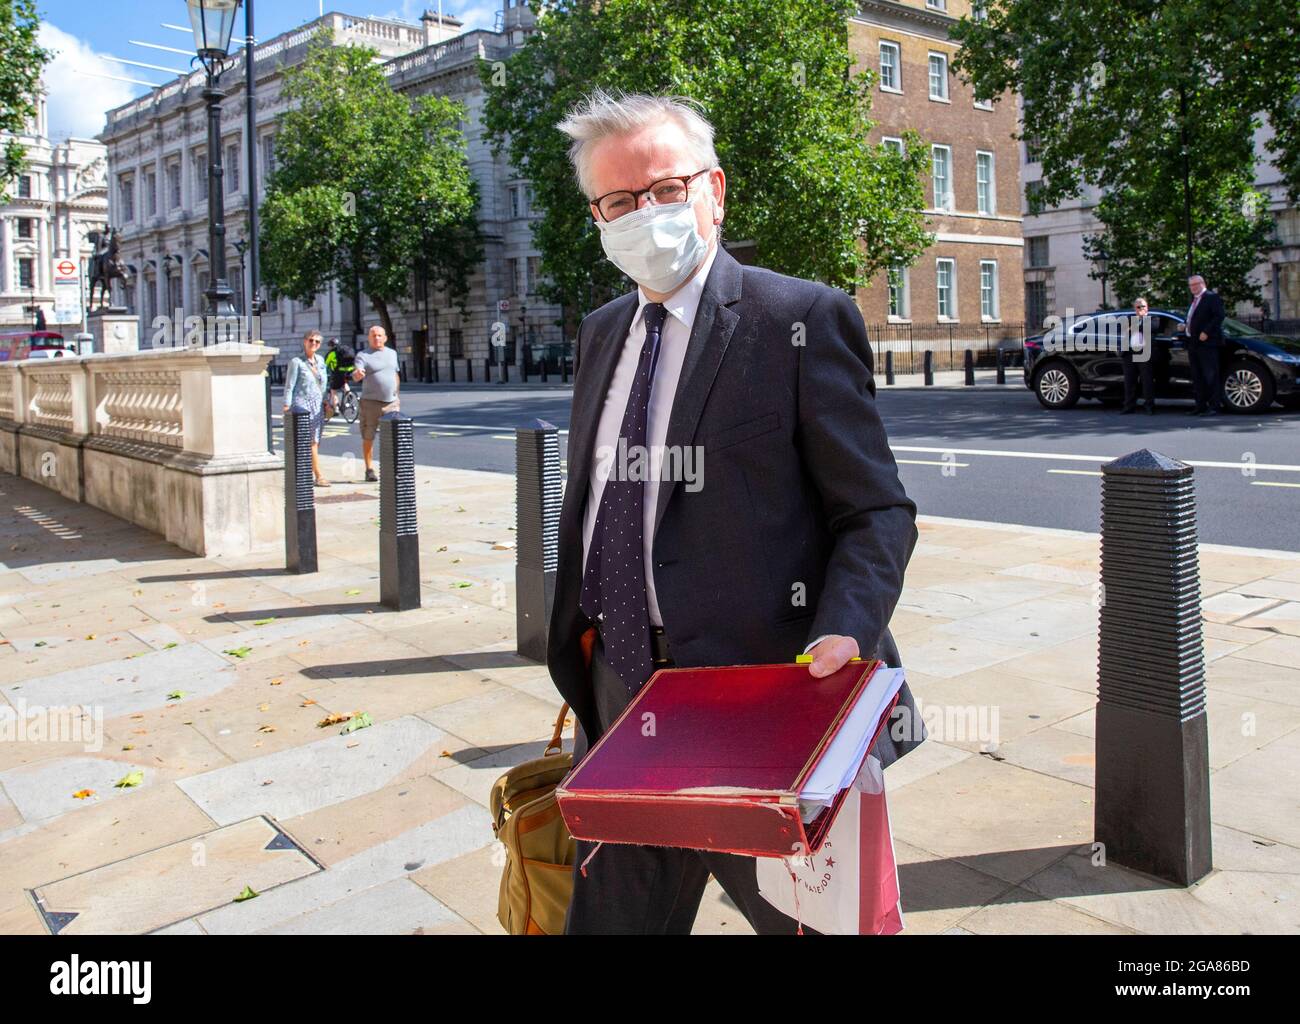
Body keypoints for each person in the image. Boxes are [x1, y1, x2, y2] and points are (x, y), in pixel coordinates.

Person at [547, 91, 921, 936]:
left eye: (666, 189)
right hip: (622, 701)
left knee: (816, 928)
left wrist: (845, 629)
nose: (644, 215)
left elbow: (877, 511)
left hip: (761, 707)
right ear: (597, 216)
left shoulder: (799, 318)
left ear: (714, 190)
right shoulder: (602, 333)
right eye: (617, 202)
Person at [352, 324, 400, 482]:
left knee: (394, 436)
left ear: (385, 338)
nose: (377, 338)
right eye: (373, 335)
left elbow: (395, 374)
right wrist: (357, 374)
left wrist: (397, 394)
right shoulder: (363, 355)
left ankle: (393, 468)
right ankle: (369, 468)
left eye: (380, 335)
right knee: (368, 436)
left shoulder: (392, 353)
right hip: (370, 403)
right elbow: (356, 373)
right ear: (369, 338)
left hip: (391, 403)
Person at [282, 330, 330, 488]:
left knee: (315, 440)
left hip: (318, 405)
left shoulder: (321, 360)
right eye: (311, 340)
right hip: (302, 404)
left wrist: (327, 400)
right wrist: (287, 406)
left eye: (317, 342)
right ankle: (319, 475)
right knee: (312, 441)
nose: (314, 344)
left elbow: (324, 383)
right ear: (304, 342)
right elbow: (289, 386)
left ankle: (305, 471)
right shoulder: (297, 362)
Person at [1182, 274, 1225, 416]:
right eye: (1191, 285)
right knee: (1197, 376)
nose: (1193, 288)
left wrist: (1207, 331)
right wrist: (1185, 325)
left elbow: (1219, 316)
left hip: (1207, 343)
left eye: (1195, 284)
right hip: (1193, 343)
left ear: (1203, 283)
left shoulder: (1211, 297)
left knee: (1211, 375)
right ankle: (1199, 405)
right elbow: (1194, 318)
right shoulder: (1194, 300)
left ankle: (1214, 406)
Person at [1121, 297, 1156, 415]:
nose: (1141, 309)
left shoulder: (1153, 318)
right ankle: (1129, 406)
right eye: (1138, 307)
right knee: (1129, 381)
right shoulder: (1129, 319)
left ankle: (1149, 406)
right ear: (1134, 308)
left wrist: (1137, 324)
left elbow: (1151, 328)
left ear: (1147, 308)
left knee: (1147, 381)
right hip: (1130, 354)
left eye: (1143, 306)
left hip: (1144, 354)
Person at [323, 337, 355, 417]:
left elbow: (324, 365)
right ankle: (349, 393)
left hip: (338, 372)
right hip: (349, 371)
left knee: (333, 390)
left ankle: (336, 408)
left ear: (331, 345)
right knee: (344, 383)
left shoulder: (331, 353)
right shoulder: (345, 350)